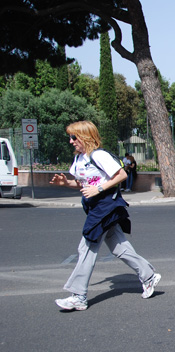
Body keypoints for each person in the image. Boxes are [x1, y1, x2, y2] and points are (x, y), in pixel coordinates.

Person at [50, 121, 161, 311]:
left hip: (106, 206)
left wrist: (99, 188)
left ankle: (78, 296)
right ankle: (148, 275)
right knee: (119, 248)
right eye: (70, 137)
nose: (70, 141)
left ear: (85, 137)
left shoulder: (98, 155)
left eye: (74, 137)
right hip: (95, 208)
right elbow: (84, 183)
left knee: (87, 246)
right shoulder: (79, 159)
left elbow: (121, 175)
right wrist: (66, 183)